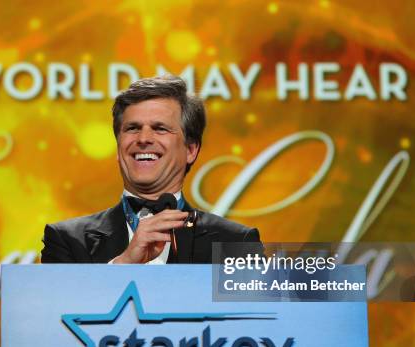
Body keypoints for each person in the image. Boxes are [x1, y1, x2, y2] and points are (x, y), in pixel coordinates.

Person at [41, 75, 262, 264]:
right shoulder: (66, 240)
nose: (144, 139)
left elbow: (254, 315)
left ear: (191, 150)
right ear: (118, 148)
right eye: (132, 128)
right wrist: (123, 264)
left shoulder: (235, 243)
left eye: (160, 128)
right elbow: (54, 312)